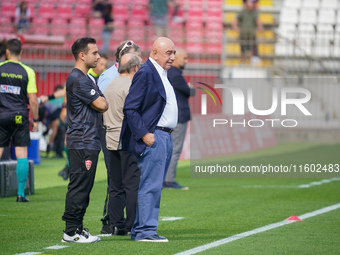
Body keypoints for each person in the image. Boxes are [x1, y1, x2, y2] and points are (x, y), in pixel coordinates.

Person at [120, 37, 177, 242]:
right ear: (154, 53)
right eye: (168, 53)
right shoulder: (146, 72)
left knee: (154, 185)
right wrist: (144, 134)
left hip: (164, 135)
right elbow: (130, 107)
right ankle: (145, 231)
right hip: (155, 136)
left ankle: (141, 229)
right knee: (150, 186)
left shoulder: (160, 73)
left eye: (173, 53)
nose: (172, 57)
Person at [61, 37, 108, 243]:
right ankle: (70, 231)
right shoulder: (79, 79)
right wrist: (100, 100)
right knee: (80, 186)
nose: (98, 56)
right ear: (82, 55)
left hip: (88, 139)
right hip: (82, 140)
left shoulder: (86, 77)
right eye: (94, 53)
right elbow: (102, 103)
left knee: (85, 186)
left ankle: (78, 228)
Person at [97, 40, 142, 234]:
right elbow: (133, 114)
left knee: (115, 184)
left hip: (110, 136)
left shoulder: (111, 83)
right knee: (132, 184)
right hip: (126, 138)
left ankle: (116, 224)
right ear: (133, 66)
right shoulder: (130, 85)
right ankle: (133, 224)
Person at [0, 38, 39, 202]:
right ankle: (20, 194)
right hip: (19, 115)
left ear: (7, 52)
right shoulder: (28, 71)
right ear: (21, 53)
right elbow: (33, 100)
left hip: (1, 114)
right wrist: (35, 119)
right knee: (21, 154)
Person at [163, 49, 195, 190]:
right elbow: (189, 91)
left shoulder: (169, 73)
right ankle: (169, 180)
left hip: (171, 117)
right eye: (185, 58)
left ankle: (165, 179)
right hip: (178, 117)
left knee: (169, 149)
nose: (186, 61)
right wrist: (190, 88)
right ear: (176, 58)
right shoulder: (175, 74)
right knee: (175, 149)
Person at [232, 0, 263, 64]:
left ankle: (252, 63)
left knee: (252, 50)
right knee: (243, 50)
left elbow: (258, 21)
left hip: (251, 35)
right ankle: (243, 62)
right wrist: (235, 27)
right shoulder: (242, 12)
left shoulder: (254, 12)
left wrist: (260, 27)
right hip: (243, 35)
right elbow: (235, 20)